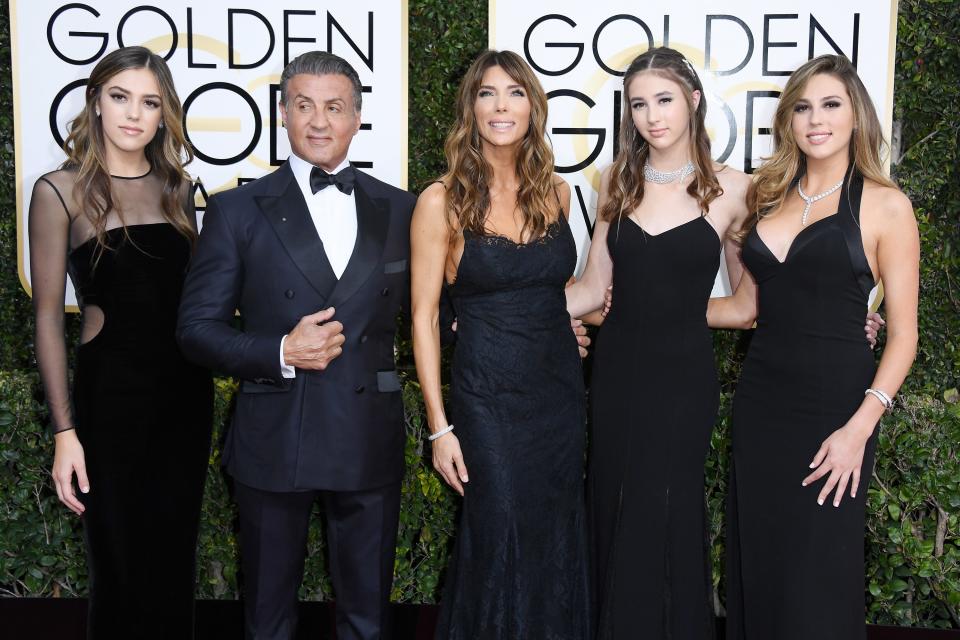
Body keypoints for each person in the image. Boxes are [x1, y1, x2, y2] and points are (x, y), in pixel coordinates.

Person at [176, 52, 414, 640]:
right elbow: (196, 330)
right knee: (267, 618)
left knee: (368, 620)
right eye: (303, 105)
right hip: (274, 435)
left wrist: (549, 320)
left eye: (334, 107)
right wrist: (281, 350)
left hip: (366, 434)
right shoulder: (236, 209)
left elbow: (443, 314)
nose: (318, 121)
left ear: (357, 117)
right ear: (282, 113)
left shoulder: (404, 209)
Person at [708, 54, 919, 640]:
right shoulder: (767, 198)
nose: (815, 119)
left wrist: (860, 429)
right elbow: (745, 309)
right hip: (762, 406)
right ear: (788, 120)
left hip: (836, 414)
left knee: (818, 580)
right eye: (802, 107)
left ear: (857, 116)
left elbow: (903, 334)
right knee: (761, 564)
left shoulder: (885, 204)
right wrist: (652, 311)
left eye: (830, 105)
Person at [565, 47, 751, 639]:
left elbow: (749, 305)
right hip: (616, 376)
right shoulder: (615, 180)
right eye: (639, 104)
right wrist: (505, 309)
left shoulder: (735, 190)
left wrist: (671, 312)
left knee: (667, 508)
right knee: (612, 503)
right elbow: (594, 288)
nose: (652, 116)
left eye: (664, 100)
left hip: (682, 381)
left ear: (694, 101)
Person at [30, 46, 212, 638]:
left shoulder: (179, 189)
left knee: (172, 562)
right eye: (120, 97)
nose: (134, 114)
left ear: (164, 115)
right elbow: (47, 320)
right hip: (110, 403)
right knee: (118, 565)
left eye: (150, 102)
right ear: (96, 103)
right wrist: (64, 433)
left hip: (185, 399)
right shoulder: (59, 192)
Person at [411, 50, 590, 639]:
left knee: (553, 531)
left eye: (514, 93)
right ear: (471, 107)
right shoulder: (442, 200)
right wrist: (440, 428)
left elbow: (554, 294)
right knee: (499, 529)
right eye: (487, 93)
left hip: (558, 397)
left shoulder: (557, 195)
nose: (501, 106)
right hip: (486, 400)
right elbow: (423, 315)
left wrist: (573, 324)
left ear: (533, 108)